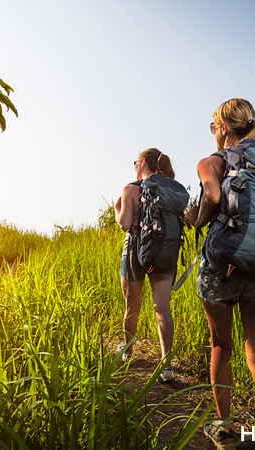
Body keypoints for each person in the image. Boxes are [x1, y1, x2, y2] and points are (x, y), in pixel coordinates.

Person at [185, 98, 255, 450]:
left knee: (222, 344)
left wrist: (196, 219)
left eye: (213, 127)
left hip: (223, 265)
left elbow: (212, 194)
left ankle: (223, 427)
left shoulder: (213, 160)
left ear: (222, 127)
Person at [114, 147, 181, 383]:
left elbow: (123, 224)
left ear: (143, 163)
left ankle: (128, 352)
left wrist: (116, 208)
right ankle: (167, 365)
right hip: (163, 250)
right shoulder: (168, 190)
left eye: (135, 162)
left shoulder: (131, 189)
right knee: (162, 307)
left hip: (134, 250)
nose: (134, 165)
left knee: (132, 307)